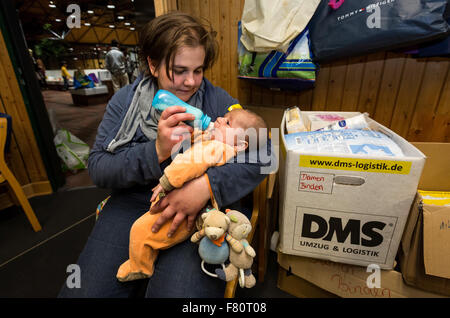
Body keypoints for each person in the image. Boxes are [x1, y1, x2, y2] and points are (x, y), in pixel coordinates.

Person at [58, 12, 271, 298]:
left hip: (199, 212)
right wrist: (157, 150)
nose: (191, 82)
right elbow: (98, 167)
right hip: (134, 203)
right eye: (179, 70)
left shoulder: (217, 101)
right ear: (153, 64)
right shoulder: (124, 102)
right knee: (83, 293)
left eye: (198, 70)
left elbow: (266, 154)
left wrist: (205, 186)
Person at [116, 109, 267, 282]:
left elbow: (189, 164)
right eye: (223, 117)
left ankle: (140, 267)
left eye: (227, 122)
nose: (219, 119)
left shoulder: (217, 147)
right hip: (197, 211)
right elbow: (199, 145)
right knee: (156, 233)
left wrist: (167, 181)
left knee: (141, 230)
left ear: (241, 145)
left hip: (181, 210)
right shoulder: (219, 146)